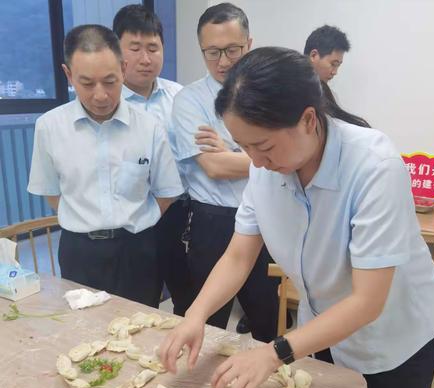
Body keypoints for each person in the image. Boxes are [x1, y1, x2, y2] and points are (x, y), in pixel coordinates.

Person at [159, 47, 434, 388]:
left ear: (309, 120)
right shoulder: (265, 167)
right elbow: (240, 254)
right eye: (244, 147)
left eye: (263, 146)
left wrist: (276, 351)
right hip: (321, 328)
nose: (254, 162)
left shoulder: (374, 166)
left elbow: (368, 301)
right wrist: (194, 316)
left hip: (397, 335)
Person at [27, 24, 183, 307]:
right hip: (79, 251)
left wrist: (137, 220)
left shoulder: (148, 126)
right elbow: (52, 192)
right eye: (86, 83)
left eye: (110, 81)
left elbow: (167, 191)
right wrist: (87, 218)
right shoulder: (49, 127)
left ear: (123, 69)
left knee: (143, 327)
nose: (100, 95)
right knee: (84, 332)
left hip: (138, 248)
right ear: (68, 75)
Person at [170, 3, 279, 342]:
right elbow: (215, 167)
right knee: (208, 322)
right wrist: (267, 155)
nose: (223, 61)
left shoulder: (271, 95)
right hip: (212, 222)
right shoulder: (189, 100)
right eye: (212, 52)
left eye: (232, 50)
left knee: (268, 320)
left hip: (269, 217)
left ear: (249, 44)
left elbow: (289, 159)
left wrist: (231, 150)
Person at [113, 4, 194, 315]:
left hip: (179, 213)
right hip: (132, 214)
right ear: (116, 51)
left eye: (153, 48)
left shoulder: (180, 97)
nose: (145, 59)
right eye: (134, 48)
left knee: (186, 293)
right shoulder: (109, 102)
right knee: (140, 297)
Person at [304, 25, 370, 128]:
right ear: (314, 55)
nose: (335, 72)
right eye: (333, 64)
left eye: (338, 66)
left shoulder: (329, 95)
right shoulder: (295, 92)